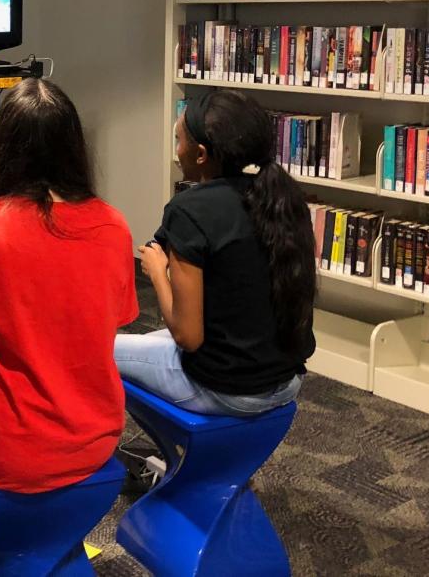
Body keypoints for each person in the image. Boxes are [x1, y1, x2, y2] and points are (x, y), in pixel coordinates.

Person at [0, 77, 138, 560]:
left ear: (2, 146)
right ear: (74, 145)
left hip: (9, 445)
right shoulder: (114, 223)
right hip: (96, 435)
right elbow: (110, 325)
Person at [114, 89, 315, 417]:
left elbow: (187, 336)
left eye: (179, 141)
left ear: (202, 154)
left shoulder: (190, 210)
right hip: (285, 382)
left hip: (226, 391)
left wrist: (156, 272)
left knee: (95, 351)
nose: (177, 151)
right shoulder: (282, 200)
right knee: (152, 341)